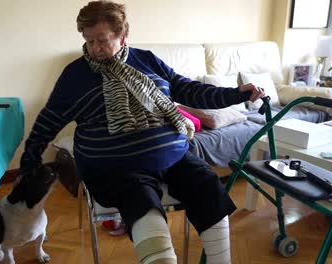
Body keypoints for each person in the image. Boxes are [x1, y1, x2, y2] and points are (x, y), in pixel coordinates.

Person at [20, 1, 265, 263]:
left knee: (207, 184)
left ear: (122, 36)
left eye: (102, 40)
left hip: (173, 157)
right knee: (141, 201)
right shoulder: (75, 75)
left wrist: (235, 95)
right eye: (89, 41)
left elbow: (190, 89)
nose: (94, 49)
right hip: (115, 169)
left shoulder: (146, 60)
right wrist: (30, 157)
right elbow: (50, 119)